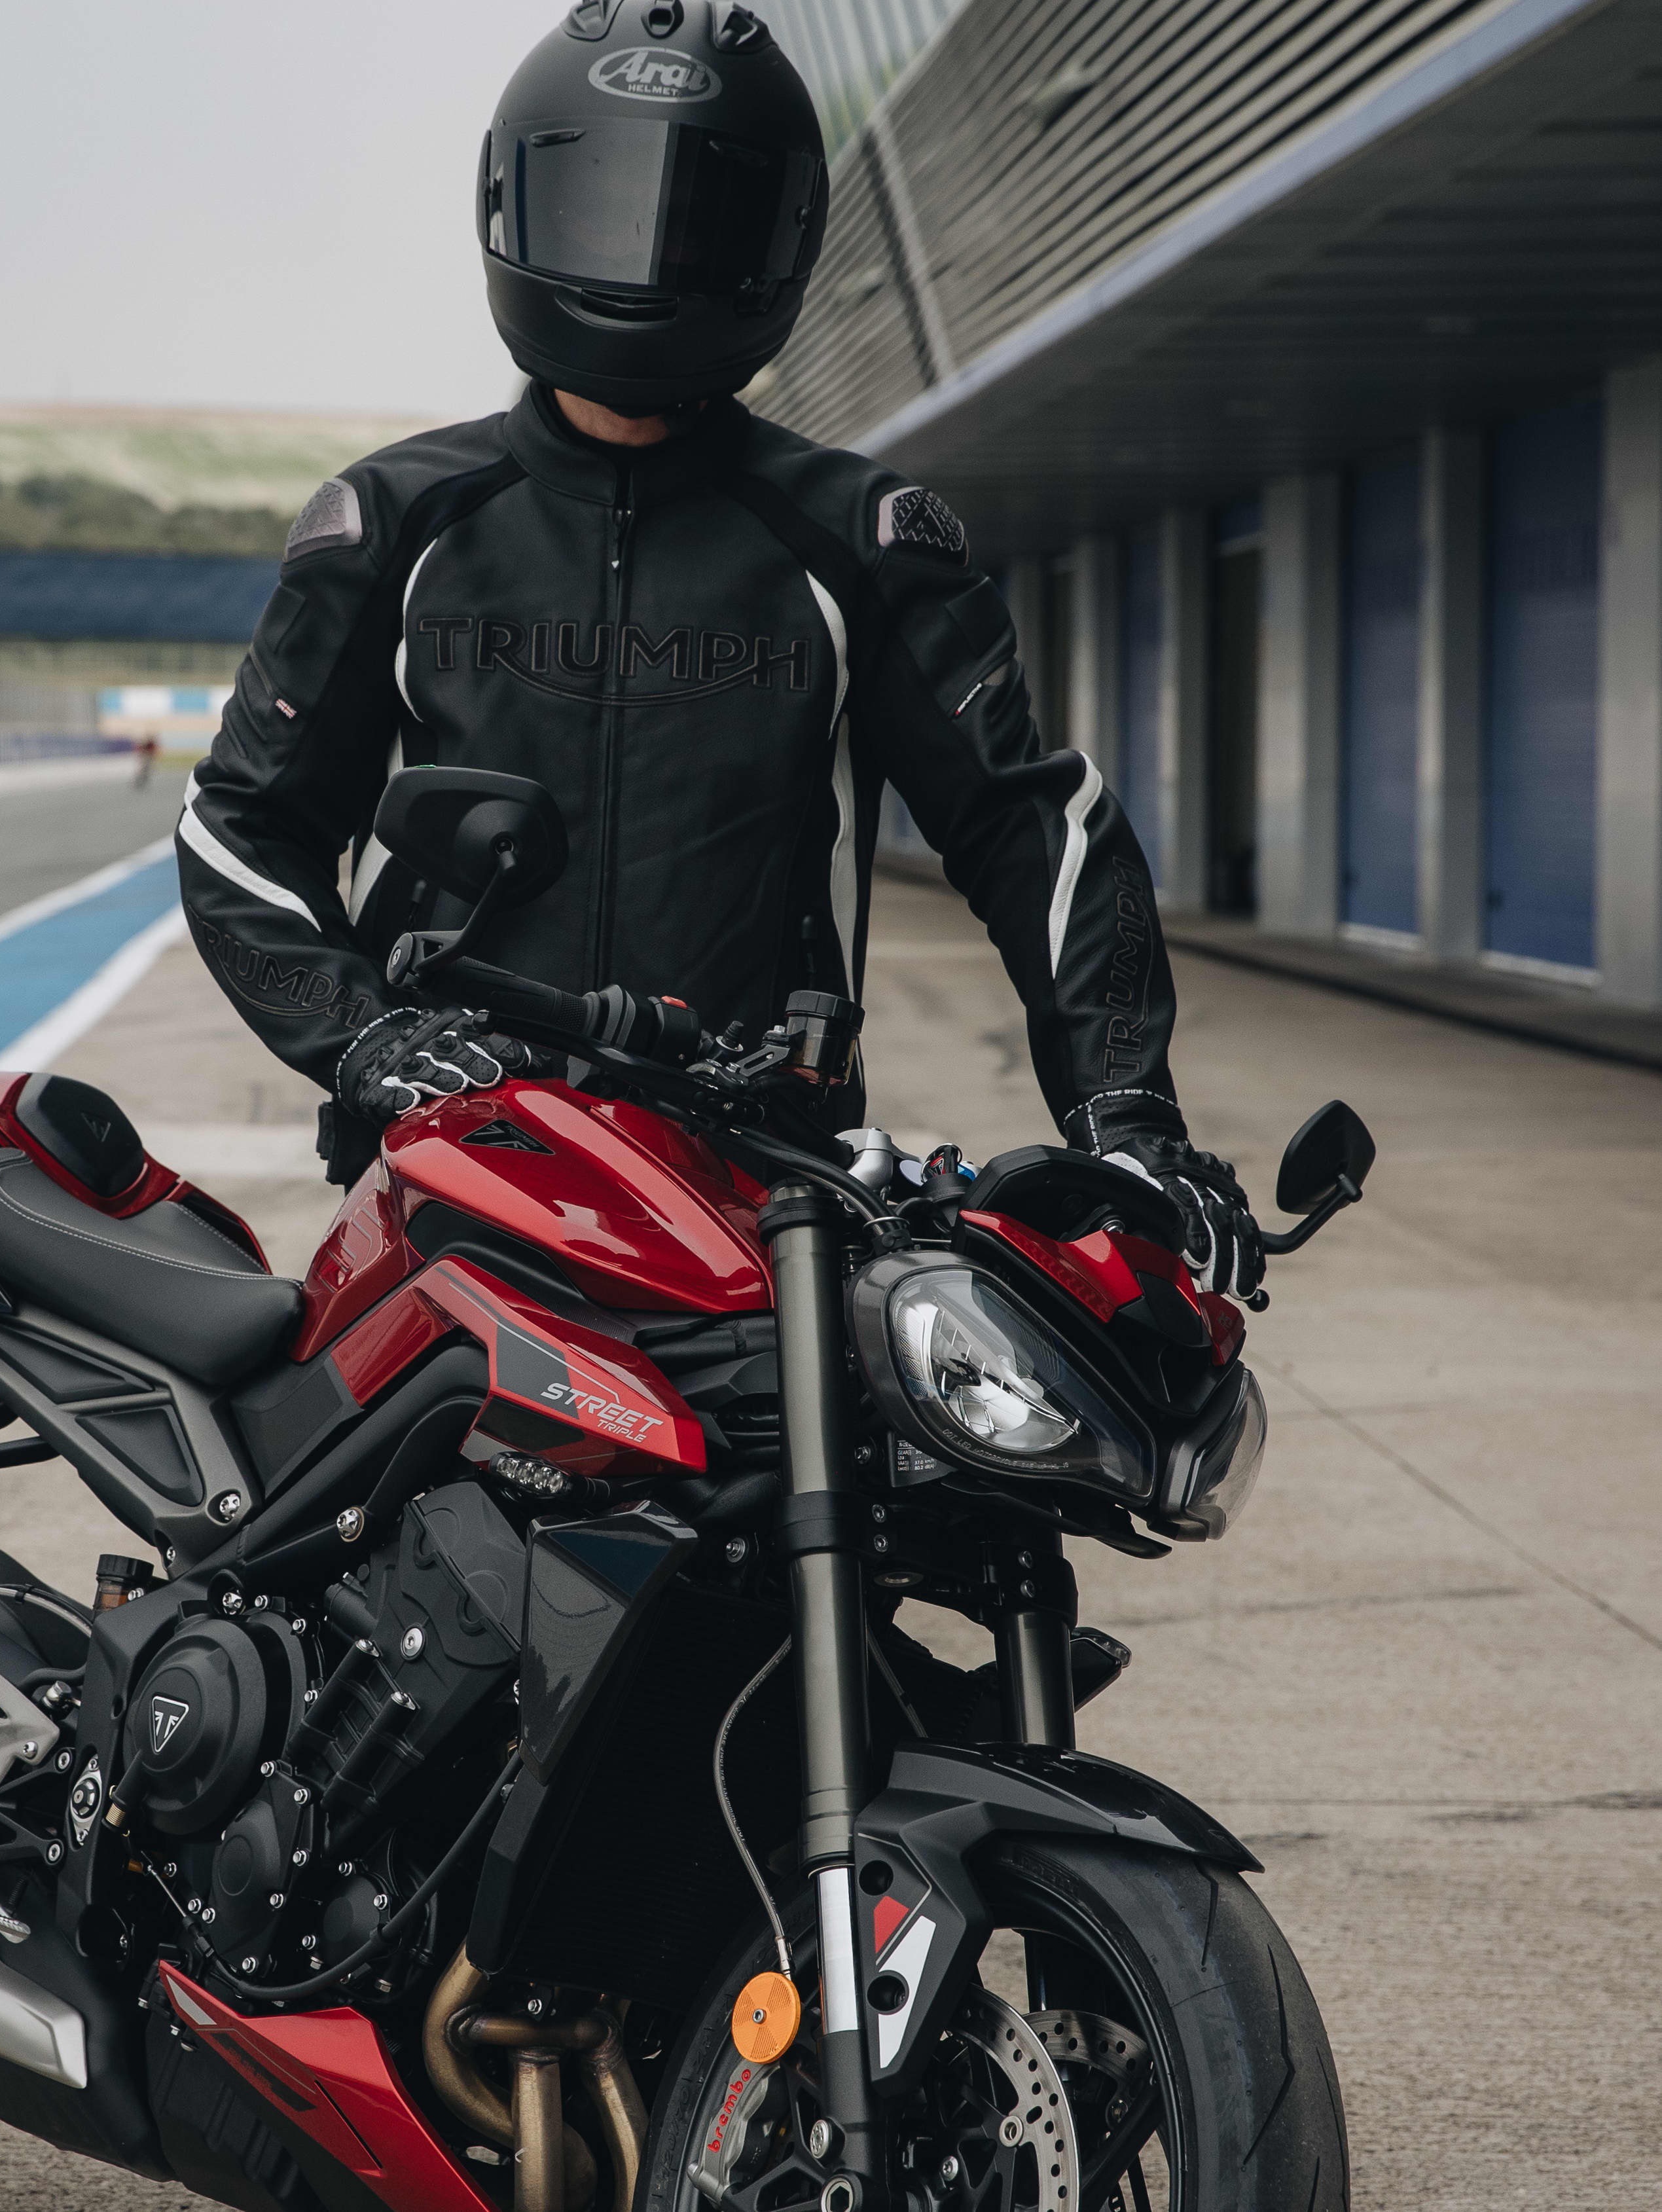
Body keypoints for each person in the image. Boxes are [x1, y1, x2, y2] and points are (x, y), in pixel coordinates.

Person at [177, 0, 1263, 1306]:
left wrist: (1129, 1118)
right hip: (453, 1163)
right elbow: (243, 822)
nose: (641, 258)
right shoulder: (396, 522)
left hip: (768, 1178)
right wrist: (369, 1041)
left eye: (695, 221)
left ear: (782, 240)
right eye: (599, 209)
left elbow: (1033, 832)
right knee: (360, 1509)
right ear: (508, 205)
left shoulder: (862, 537)